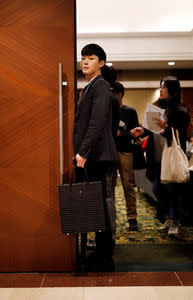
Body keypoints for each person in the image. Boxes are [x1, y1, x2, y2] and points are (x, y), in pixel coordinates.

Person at [73, 43, 118, 268]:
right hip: (96, 155)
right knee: (98, 205)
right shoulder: (90, 86)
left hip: (99, 156)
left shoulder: (100, 86)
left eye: (90, 58)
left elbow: (97, 122)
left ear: (101, 63)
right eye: (83, 58)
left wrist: (83, 151)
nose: (85, 61)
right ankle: (101, 254)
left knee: (101, 205)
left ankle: (104, 257)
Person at [131, 76, 190, 237]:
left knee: (173, 191)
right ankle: (168, 218)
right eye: (160, 87)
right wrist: (141, 131)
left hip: (170, 157)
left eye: (164, 87)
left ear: (172, 89)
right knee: (157, 188)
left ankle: (174, 222)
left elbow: (181, 135)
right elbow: (150, 129)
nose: (161, 90)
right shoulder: (156, 108)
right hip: (156, 156)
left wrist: (166, 128)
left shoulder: (181, 111)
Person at [111, 82, 140, 231]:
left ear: (120, 94)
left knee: (128, 185)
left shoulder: (130, 112)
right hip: (109, 151)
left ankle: (132, 218)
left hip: (125, 151)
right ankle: (111, 218)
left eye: (113, 93)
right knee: (110, 187)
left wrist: (122, 133)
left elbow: (136, 134)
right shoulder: (107, 111)